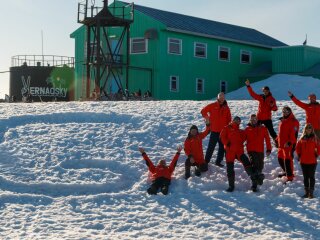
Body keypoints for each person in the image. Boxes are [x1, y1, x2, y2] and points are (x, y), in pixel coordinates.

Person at [220, 116, 258, 192]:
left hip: (239, 152)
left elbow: (245, 137)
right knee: (230, 169)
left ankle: (254, 183)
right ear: (233, 120)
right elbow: (222, 136)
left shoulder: (241, 131)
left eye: (239, 120)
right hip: (230, 152)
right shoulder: (227, 128)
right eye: (236, 120)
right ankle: (231, 186)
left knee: (247, 164)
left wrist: (240, 143)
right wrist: (227, 143)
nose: (237, 121)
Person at [201, 92, 231, 167]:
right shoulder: (212, 105)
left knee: (222, 148)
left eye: (223, 97)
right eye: (220, 96)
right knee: (211, 147)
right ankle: (206, 161)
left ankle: (218, 161)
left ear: (224, 98)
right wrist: (207, 118)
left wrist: (228, 128)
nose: (222, 98)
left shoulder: (226, 108)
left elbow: (229, 119)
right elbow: (203, 111)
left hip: (222, 132)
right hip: (214, 131)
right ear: (218, 97)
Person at [244, 114, 272, 187]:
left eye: (255, 119)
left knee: (260, 166)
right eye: (252, 119)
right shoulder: (247, 129)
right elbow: (241, 139)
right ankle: (255, 184)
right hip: (251, 150)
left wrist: (269, 149)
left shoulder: (263, 128)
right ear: (250, 120)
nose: (253, 121)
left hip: (260, 150)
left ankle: (258, 179)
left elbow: (267, 139)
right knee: (255, 164)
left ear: (257, 120)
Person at [276, 106, 299, 182]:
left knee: (287, 160)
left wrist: (290, 142)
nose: (285, 113)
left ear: (290, 112)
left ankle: (290, 177)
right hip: (281, 144)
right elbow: (281, 133)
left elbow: (294, 134)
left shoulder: (294, 121)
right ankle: (287, 172)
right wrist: (277, 140)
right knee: (280, 159)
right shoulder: (282, 120)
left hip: (288, 145)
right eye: (284, 112)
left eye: (287, 112)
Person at [295, 124, 319, 198]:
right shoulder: (302, 139)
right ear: (305, 129)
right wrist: (299, 155)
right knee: (305, 177)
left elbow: (319, 147)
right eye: (307, 128)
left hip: (312, 161)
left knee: (311, 177)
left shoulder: (315, 138)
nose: (309, 129)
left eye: (310, 128)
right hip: (303, 161)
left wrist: (316, 154)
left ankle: (311, 193)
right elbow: (297, 148)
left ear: (312, 130)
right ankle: (307, 192)